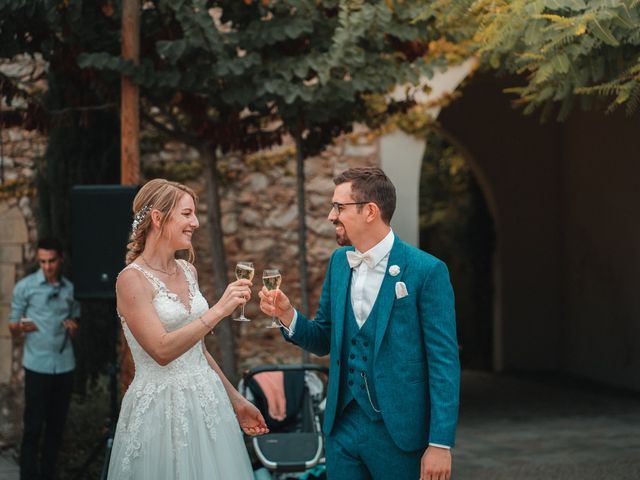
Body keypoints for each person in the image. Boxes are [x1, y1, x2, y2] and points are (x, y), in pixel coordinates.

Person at [259, 167, 460, 480]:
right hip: (343, 430)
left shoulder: (427, 271)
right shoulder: (339, 264)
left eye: (339, 207)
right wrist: (288, 315)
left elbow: (443, 363)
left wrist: (440, 443)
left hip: (401, 435)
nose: (330, 216)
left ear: (370, 211)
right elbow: (323, 338)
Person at [107, 178, 268, 480]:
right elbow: (162, 350)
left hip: (206, 403)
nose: (194, 222)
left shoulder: (187, 270)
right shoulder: (131, 280)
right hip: (160, 410)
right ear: (158, 218)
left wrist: (236, 400)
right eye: (186, 214)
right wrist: (220, 310)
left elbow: (198, 350)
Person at [8, 237, 80, 480]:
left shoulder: (70, 289)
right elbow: (12, 325)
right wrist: (20, 328)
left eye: (51, 261)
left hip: (64, 366)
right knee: (33, 427)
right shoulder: (25, 287)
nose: (47, 266)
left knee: (56, 429)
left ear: (60, 260)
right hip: (37, 365)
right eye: (42, 262)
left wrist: (73, 328)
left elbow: (76, 321)